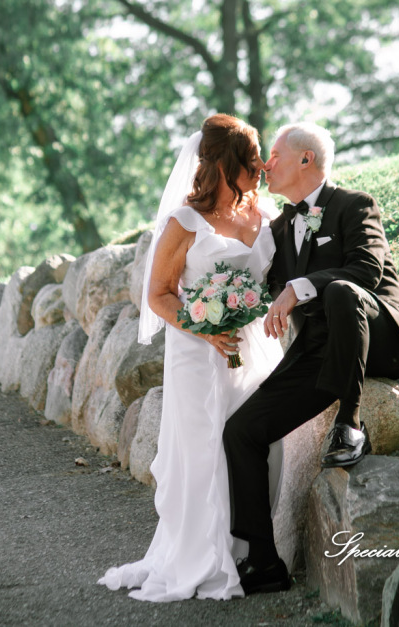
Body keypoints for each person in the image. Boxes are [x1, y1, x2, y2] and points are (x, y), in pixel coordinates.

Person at [222, 122, 399, 595]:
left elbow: (366, 271)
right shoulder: (280, 228)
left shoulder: (354, 205)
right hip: (320, 350)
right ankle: (263, 561)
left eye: (274, 155)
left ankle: (350, 425)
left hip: (378, 334)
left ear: (306, 159)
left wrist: (299, 288)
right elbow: (258, 288)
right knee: (241, 431)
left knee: (340, 290)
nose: (266, 164)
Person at [98, 114, 285, 601]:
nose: (261, 168)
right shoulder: (185, 222)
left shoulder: (265, 213)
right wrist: (206, 327)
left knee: (262, 448)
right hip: (198, 356)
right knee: (205, 455)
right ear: (225, 165)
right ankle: (204, 556)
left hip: (255, 349)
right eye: (251, 160)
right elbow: (159, 295)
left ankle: (250, 550)